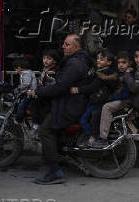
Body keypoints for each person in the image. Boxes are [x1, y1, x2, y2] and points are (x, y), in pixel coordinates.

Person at [27, 34, 90, 185]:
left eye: (67, 44)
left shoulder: (75, 64)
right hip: (68, 101)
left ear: (77, 47)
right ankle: (58, 156)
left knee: (45, 131)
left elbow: (61, 87)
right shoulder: (76, 61)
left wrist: (38, 92)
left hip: (69, 105)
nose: (63, 46)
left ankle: (55, 171)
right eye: (64, 44)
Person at [71, 49, 117, 146]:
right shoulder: (99, 71)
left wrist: (78, 89)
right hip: (94, 100)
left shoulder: (104, 74)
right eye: (97, 58)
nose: (98, 60)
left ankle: (92, 137)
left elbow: (93, 87)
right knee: (86, 118)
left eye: (102, 59)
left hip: (99, 101)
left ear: (109, 62)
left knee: (86, 119)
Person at [88, 51, 132, 148]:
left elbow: (125, 93)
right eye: (119, 63)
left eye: (124, 63)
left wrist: (110, 98)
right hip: (115, 98)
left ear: (129, 63)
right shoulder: (117, 73)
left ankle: (102, 138)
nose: (121, 65)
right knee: (97, 111)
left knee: (106, 107)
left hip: (124, 101)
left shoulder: (128, 75)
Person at [30, 49, 60, 131]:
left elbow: (50, 86)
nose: (45, 60)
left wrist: (38, 92)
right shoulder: (45, 69)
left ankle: (37, 124)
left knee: (35, 104)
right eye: (44, 58)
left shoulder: (52, 71)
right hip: (42, 92)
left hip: (47, 96)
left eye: (49, 59)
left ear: (55, 61)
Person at [13, 58, 38, 125]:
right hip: (28, 92)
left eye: (15, 69)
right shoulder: (27, 72)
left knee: (22, 105)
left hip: (29, 92)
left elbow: (26, 84)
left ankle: (18, 119)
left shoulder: (26, 73)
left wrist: (18, 89)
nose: (15, 71)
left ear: (19, 68)